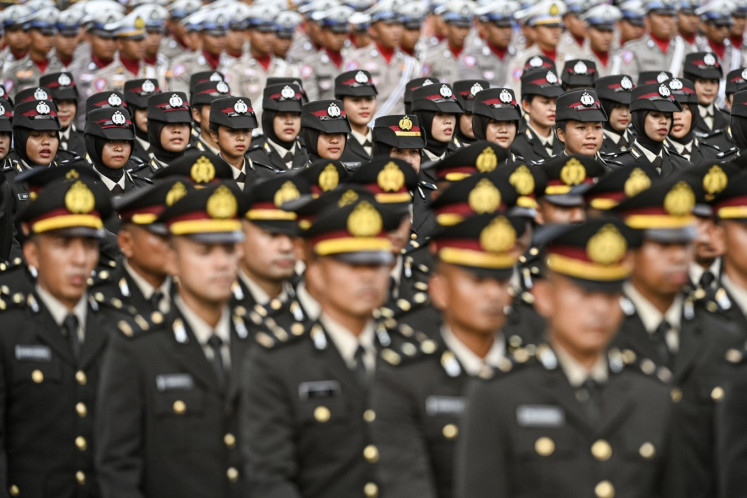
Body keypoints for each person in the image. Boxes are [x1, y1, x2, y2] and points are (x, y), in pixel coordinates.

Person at [455, 218, 673, 498]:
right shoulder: (500, 394)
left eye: (610, 295)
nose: (599, 310)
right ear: (545, 298)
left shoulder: (653, 393)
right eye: (584, 293)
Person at [96, 182, 251, 497]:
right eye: (204, 251)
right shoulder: (138, 347)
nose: (221, 263)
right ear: (174, 257)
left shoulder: (261, 341)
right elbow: (119, 467)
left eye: (229, 248)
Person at [240, 196, 400, 497]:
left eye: (377, 262)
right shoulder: (279, 361)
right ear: (316, 273)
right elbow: (270, 477)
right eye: (351, 264)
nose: (367, 275)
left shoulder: (408, 354)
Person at [373, 212, 525, 498]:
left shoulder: (533, 373)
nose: (493, 294)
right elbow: (407, 484)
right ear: (439, 290)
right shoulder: (405, 381)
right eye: (478, 281)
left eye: (501, 280)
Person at [0, 176, 133, 497]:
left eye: (89, 244)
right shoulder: (8, 330)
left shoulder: (119, 327)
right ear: (31, 254)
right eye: (63, 244)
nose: (79, 259)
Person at [611, 178, 743, 498]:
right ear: (630, 252)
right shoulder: (604, 334)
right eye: (662, 245)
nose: (677, 257)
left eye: (683, 244)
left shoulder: (722, 337)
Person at [234, 174, 311, 308]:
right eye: (273, 235)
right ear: (239, 242)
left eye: (294, 236)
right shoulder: (219, 306)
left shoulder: (310, 300)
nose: (286, 247)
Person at [344, 0, 421, 118]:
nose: (396, 31)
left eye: (398, 24)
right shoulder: (357, 61)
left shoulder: (411, 64)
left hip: (403, 130)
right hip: (371, 130)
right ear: (373, 30)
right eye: (389, 25)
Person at [610, 82, 689, 176]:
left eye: (668, 116)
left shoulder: (684, 166)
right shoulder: (617, 168)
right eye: (655, 115)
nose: (664, 121)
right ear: (639, 118)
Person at [506, 1, 568, 96]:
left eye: (558, 26)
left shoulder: (570, 58)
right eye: (549, 26)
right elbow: (518, 97)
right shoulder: (521, 62)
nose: (556, 31)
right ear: (534, 30)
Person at [619, 0, 686, 83]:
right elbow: (630, 83)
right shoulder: (633, 50)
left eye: (670, 16)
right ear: (647, 20)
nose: (666, 20)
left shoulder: (685, 49)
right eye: (660, 15)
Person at [247, 83, 308, 172]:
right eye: (282, 116)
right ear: (269, 119)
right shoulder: (252, 158)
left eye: (295, 115)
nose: (289, 122)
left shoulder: (310, 154)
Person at [299, 5, 355, 102]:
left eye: (343, 32)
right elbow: (310, 103)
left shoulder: (353, 61)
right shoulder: (311, 64)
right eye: (335, 33)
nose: (341, 37)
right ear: (322, 33)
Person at [4, 7, 65, 95]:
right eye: (44, 34)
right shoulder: (13, 71)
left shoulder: (60, 68)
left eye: (51, 34)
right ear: (28, 36)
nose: (50, 39)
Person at [460, 1, 519, 88]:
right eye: (500, 26)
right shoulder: (472, 57)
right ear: (485, 27)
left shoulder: (520, 55)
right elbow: (474, 91)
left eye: (509, 26)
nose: (506, 31)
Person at [510, 68, 564, 162]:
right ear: (526, 105)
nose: (553, 108)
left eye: (556, 102)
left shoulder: (565, 139)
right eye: (545, 102)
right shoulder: (515, 144)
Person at [665, 77, 722, 162]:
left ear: (694, 112)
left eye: (682, 109)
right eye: (670, 110)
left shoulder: (713, 155)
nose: (676, 116)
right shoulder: (655, 157)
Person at [209, 96, 258, 191]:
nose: (241, 138)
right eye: (232, 131)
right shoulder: (206, 177)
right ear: (214, 135)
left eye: (246, 131)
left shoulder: (266, 175)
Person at [421, 1, 475, 84]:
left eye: (466, 27)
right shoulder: (431, 57)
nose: (463, 32)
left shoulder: (477, 55)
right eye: (458, 27)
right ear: (446, 26)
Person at [412, 83, 463, 164]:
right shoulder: (408, 160)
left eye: (451, 114)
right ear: (423, 118)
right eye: (440, 115)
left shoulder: (462, 159)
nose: (448, 121)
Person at [39, 72, 86, 158]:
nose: (64, 109)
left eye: (69, 102)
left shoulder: (86, 141)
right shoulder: (36, 143)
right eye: (57, 102)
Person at [146, 91, 192, 175]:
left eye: (183, 124)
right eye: (169, 124)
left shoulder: (202, 175)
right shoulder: (138, 181)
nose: (177, 130)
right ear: (153, 129)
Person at [682, 52, 730, 134]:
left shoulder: (728, 119)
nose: (709, 88)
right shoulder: (680, 120)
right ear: (689, 83)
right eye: (702, 81)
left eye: (713, 81)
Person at [336, 70, 378, 163]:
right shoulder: (334, 145)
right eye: (356, 100)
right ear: (340, 103)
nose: (364, 106)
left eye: (369, 99)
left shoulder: (385, 140)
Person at [553, 89, 607, 158]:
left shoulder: (614, 168)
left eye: (597, 127)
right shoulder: (545, 168)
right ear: (561, 134)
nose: (591, 135)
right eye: (581, 128)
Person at [471, 87, 522, 153]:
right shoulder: (463, 163)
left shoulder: (522, 163)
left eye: (509, 122)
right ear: (479, 125)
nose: (504, 130)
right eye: (495, 122)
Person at [123, 78, 162, 163]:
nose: (148, 115)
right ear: (130, 112)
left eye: (153, 109)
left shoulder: (174, 144)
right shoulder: (122, 153)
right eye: (142, 109)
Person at [594, 74, 635, 155]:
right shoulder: (593, 145)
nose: (624, 114)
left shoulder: (638, 141)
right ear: (604, 107)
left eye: (628, 107)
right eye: (617, 107)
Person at [300, 99, 351, 163]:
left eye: (340, 133)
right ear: (310, 137)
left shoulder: (354, 172)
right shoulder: (298, 172)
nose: (335, 141)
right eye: (326, 134)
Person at [191, 78, 232, 155]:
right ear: (197, 115)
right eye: (214, 109)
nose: (222, 114)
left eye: (226, 108)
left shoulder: (244, 153)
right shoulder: (188, 157)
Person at [581, 5, 623, 79]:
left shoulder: (620, 56)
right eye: (601, 31)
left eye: (610, 31)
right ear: (587, 32)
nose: (607, 37)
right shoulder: (579, 58)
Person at [452, 79, 488, 149]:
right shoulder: (443, 153)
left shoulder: (501, 151)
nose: (475, 121)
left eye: (480, 114)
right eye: (468, 114)